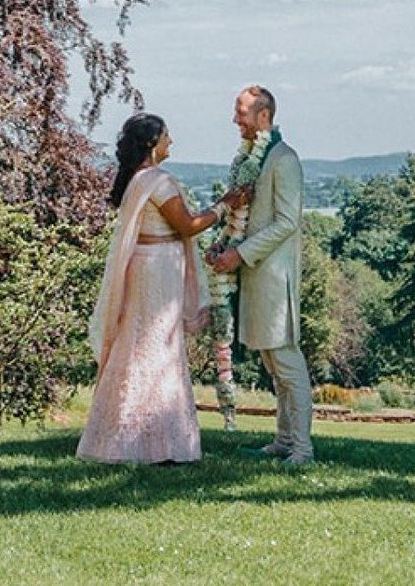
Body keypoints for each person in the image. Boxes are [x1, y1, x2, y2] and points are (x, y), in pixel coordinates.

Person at [78, 112, 242, 464]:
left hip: (144, 264)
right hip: (159, 267)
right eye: (167, 136)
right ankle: (162, 442)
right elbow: (187, 225)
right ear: (153, 143)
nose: (172, 141)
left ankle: (119, 438)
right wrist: (225, 205)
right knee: (158, 343)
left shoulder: (135, 180)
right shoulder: (158, 180)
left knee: (136, 340)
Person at [207, 84, 313, 467]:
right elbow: (246, 220)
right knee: (272, 365)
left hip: (273, 278)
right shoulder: (255, 157)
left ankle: (303, 449)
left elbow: (287, 222)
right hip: (256, 276)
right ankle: (284, 442)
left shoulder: (284, 159)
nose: (235, 119)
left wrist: (240, 254)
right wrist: (223, 246)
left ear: (263, 116)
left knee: (287, 364)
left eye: (241, 112)